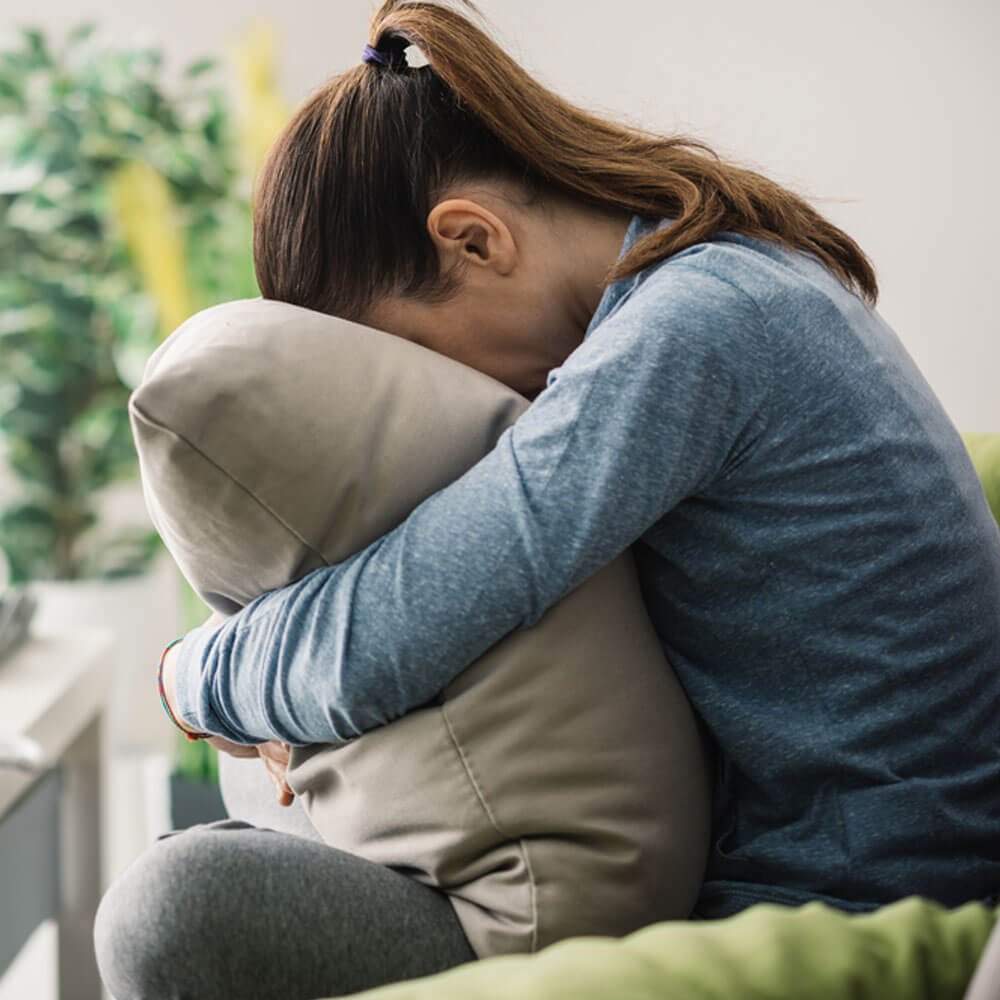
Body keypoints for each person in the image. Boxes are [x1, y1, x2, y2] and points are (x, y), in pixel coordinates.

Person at [94, 1, 1000, 998]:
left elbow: (394, 626)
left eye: (419, 357)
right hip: (837, 868)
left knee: (176, 907)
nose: (469, 403)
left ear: (473, 242)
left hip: (842, 910)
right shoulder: (745, 280)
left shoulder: (691, 331)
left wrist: (190, 679)